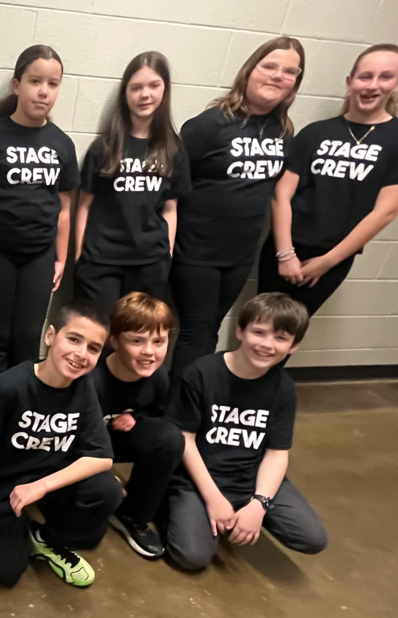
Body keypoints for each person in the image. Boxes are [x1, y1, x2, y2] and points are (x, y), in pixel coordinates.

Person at [0, 303, 121, 589]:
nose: (81, 354)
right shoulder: (9, 387)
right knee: (5, 572)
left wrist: (43, 486)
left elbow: (102, 457)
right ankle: (18, 527)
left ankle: (44, 538)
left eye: (94, 348)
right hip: (1, 486)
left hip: (46, 481)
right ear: (50, 336)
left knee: (106, 494)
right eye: (73, 339)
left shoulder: (83, 387)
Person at [163, 293, 328, 571]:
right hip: (200, 478)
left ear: (293, 346)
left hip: (250, 480)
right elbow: (185, 440)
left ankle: (241, 513)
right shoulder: (201, 374)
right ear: (240, 330)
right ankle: (176, 508)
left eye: (280, 338)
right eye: (258, 332)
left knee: (313, 538)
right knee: (192, 557)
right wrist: (214, 498)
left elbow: (277, 454)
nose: (266, 344)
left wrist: (259, 505)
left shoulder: (283, 389)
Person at [171, 38, 305, 378]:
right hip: (196, 251)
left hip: (240, 253)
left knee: (213, 328)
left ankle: (196, 398)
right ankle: (178, 413)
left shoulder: (283, 131)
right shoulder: (208, 126)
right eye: (270, 66)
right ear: (250, 70)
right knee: (195, 332)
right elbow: (173, 189)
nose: (278, 76)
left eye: (289, 71)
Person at [0, 45, 80, 390]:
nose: (43, 91)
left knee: (28, 340)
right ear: (17, 85)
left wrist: (60, 257)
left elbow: (65, 208)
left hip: (39, 255)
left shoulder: (62, 144)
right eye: (35, 81)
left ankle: (20, 412)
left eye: (53, 84)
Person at [258, 44, 398, 318]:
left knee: (288, 332)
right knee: (258, 324)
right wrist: (286, 254)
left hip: (333, 257)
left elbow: (385, 212)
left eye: (385, 76)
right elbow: (281, 195)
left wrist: (327, 262)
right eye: (365, 76)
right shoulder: (316, 133)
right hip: (283, 249)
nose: (372, 85)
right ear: (350, 82)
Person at [74, 51, 191, 316]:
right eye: (136, 87)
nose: (145, 95)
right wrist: (79, 256)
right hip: (101, 261)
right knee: (98, 338)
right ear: (125, 93)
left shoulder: (173, 149)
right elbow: (84, 206)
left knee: (134, 339)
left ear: (165, 90)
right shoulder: (103, 148)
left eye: (154, 86)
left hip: (149, 263)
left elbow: (170, 209)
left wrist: (167, 255)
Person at [89, 293, 183, 559]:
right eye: (137, 341)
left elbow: (157, 413)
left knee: (169, 439)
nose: (149, 352)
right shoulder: (92, 379)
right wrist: (103, 473)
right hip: (80, 446)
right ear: (115, 341)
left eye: (158, 341)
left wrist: (137, 417)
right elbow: (74, 435)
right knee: (88, 521)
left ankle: (134, 516)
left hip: (117, 439)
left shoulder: (159, 377)